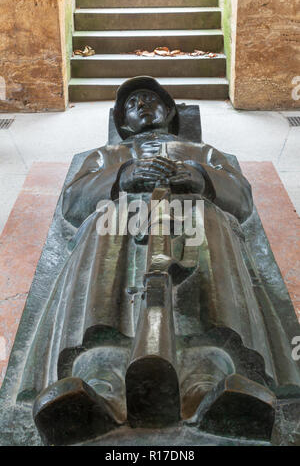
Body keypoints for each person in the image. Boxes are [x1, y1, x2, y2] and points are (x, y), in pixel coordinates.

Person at [21, 77, 300, 445]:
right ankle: (99, 381)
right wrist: (123, 177)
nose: (142, 105)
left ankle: (213, 382)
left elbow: (242, 200)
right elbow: (73, 203)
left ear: (169, 112)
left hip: (197, 220)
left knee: (209, 298)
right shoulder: (104, 156)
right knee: (104, 304)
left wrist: (202, 179)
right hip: (115, 225)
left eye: (151, 100)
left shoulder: (205, 152)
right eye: (132, 104)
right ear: (123, 122)